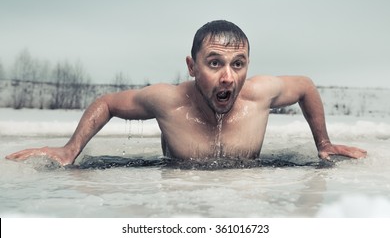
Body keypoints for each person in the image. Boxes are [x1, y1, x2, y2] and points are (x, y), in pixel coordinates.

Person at [5, 20, 367, 166]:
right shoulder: (169, 101)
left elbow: (305, 85)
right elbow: (108, 103)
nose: (228, 77)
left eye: (238, 64)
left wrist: (324, 143)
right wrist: (70, 151)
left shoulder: (259, 95)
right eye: (214, 63)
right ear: (192, 67)